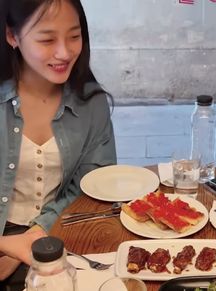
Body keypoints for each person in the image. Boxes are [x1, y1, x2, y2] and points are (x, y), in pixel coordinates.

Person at [0, 0, 117, 285]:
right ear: (13, 36)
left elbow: (92, 185)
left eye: (74, 36)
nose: (65, 52)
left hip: (61, 235)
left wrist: (35, 236)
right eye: (47, 39)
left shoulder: (92, 103)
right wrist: (5, 244)